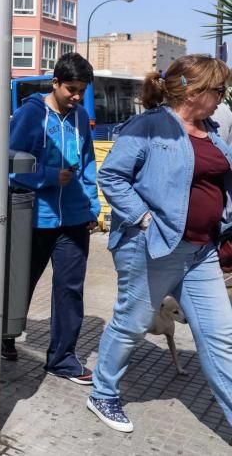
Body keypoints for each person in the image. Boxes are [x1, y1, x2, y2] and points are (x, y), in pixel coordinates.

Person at [87, 54, 232, 433]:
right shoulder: (150, 126)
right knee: (132, 323)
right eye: (218, 90)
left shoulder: (212, 129)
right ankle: (103, 392)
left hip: (201, 251)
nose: (222, 96)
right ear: (193, 91)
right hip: (154, 247)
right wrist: (144, 218)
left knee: (222, 337)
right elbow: (114, 175)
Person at [6, 53, 100, 375]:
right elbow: (8, 164)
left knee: (70, 289)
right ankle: (4, 337)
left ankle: (62, 358)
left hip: (73, 219)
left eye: (81, 91)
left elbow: (88, 165)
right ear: (55, 82)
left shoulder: (81, 117)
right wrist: (45, 176)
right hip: (34, 218)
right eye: (71, 89)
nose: (76, 97)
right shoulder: (29, 115)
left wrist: (92, 206)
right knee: (21, 283)